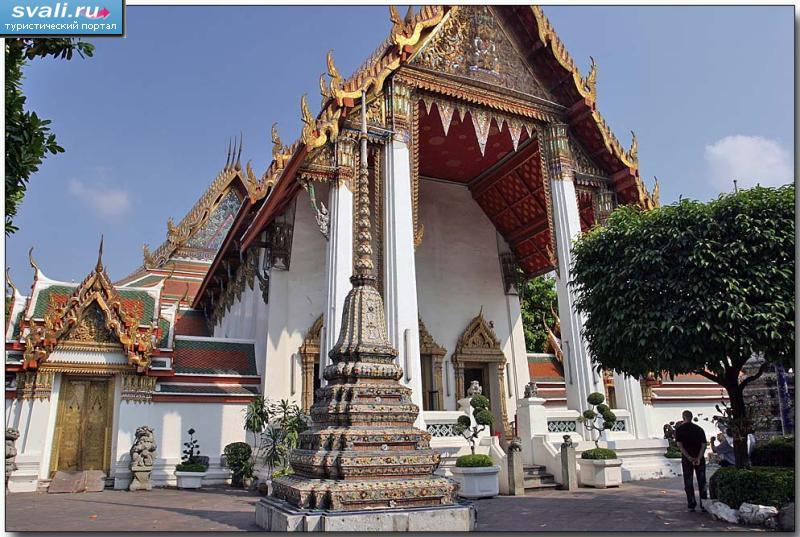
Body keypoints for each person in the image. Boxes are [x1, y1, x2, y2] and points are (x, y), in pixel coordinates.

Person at [674, 410, 708, 512]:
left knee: (688, 481)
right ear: (692, 417)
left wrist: (689, 457)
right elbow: (704, 445)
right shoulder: (699, 429)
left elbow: (680, 445)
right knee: (702, 480)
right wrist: (698, 457)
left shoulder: (680, 430)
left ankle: (691, 504)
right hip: (699, 458)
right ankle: (704, 504)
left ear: (684, 417)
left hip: (687, 458)